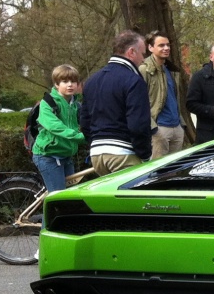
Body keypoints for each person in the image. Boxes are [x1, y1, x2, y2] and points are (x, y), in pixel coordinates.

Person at [79, 30, 153, 175]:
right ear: (131, 52)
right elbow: (138, 124)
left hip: (97, 155)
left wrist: (95, 143)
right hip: (123, 152)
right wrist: (145, 155)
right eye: (143, 54)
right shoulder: (133, 80)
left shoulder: (92, 80)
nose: (144, 59)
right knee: (134, 198)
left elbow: (84, 122)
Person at [140, 30, 194, 159]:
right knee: (158, 173)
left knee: (173, 172)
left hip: (176, 127)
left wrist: (181, 125)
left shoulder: (170, 69)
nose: (166, 48)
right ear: (150, 47)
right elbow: (139, 102)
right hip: (160, 128)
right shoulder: (144, 69)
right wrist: (154, 128)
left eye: (168, 45)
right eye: (161, 45)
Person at [31, 65, 84, 193]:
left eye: (73, 81)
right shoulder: (48, 102)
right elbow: (54, 126)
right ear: (56, 84)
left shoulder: (75, 104)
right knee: (59, 197)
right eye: (65, 82)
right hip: (48, 156)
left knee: (71, 194)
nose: (70, 85)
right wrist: (81, 137)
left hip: (65, 155)